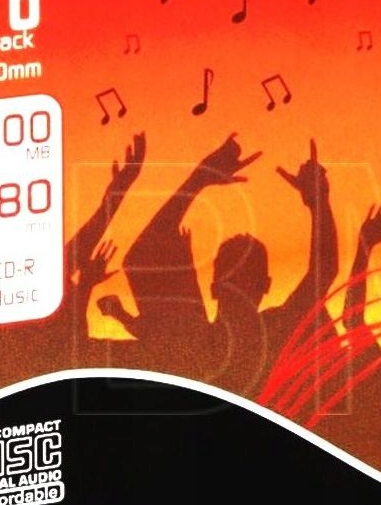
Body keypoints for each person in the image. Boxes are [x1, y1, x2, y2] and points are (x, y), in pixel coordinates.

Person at [121, 133, 338, 395]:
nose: (238, 285)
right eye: (237, 276)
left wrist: (198, 180)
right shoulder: (275, 331)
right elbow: (325, 271)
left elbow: (139, 256)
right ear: (266, 285)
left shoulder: (192, 341)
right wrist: (319, 201)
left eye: (239, 276)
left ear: (213, 286)